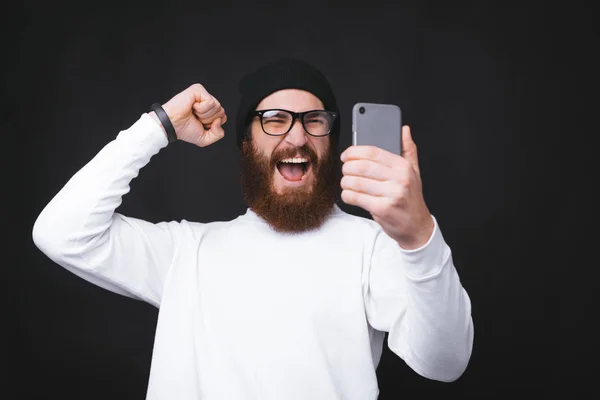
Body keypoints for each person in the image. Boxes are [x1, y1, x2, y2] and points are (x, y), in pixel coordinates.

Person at [32, 58, 474, 399]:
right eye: (275, 119)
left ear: (331, 139)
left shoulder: (372, 246)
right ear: (247, 144)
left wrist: (418, 235)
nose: (297, 138)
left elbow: (445, 360)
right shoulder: (187, 253)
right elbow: (61, 231)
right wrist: (159, 127)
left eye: (314, 121)